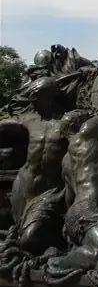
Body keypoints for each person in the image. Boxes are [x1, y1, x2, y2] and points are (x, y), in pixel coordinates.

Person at [45, 57, 98, 277]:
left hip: (76, 214)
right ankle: (61, 261)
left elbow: (69, 199)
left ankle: (80, 252)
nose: (88, 115)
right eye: (82, 116)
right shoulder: (86, 133)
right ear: (76, 124)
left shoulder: (66, 161)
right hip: (89, 211)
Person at [0, 77, 71, 254]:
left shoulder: (67, 121)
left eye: (35, 97)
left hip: (50, 190)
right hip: (23, 185)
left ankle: (58, 247)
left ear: (48, 96)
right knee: (15, 232)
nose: (32, 101)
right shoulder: (29, 119)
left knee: (29, 238)